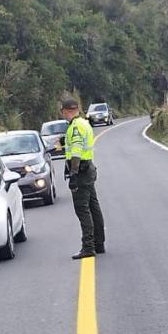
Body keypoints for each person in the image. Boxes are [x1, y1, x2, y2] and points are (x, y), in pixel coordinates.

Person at [61, 98, 105, 259]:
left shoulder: (75, 127)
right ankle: (99, 243)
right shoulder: (84, 123)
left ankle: (88, 246)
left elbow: (76, 151)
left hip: (81, 171)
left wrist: (73, 174)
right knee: (94, 207)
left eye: (63, 111)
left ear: (66, 111)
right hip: (89, 169)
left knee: (82, 209)